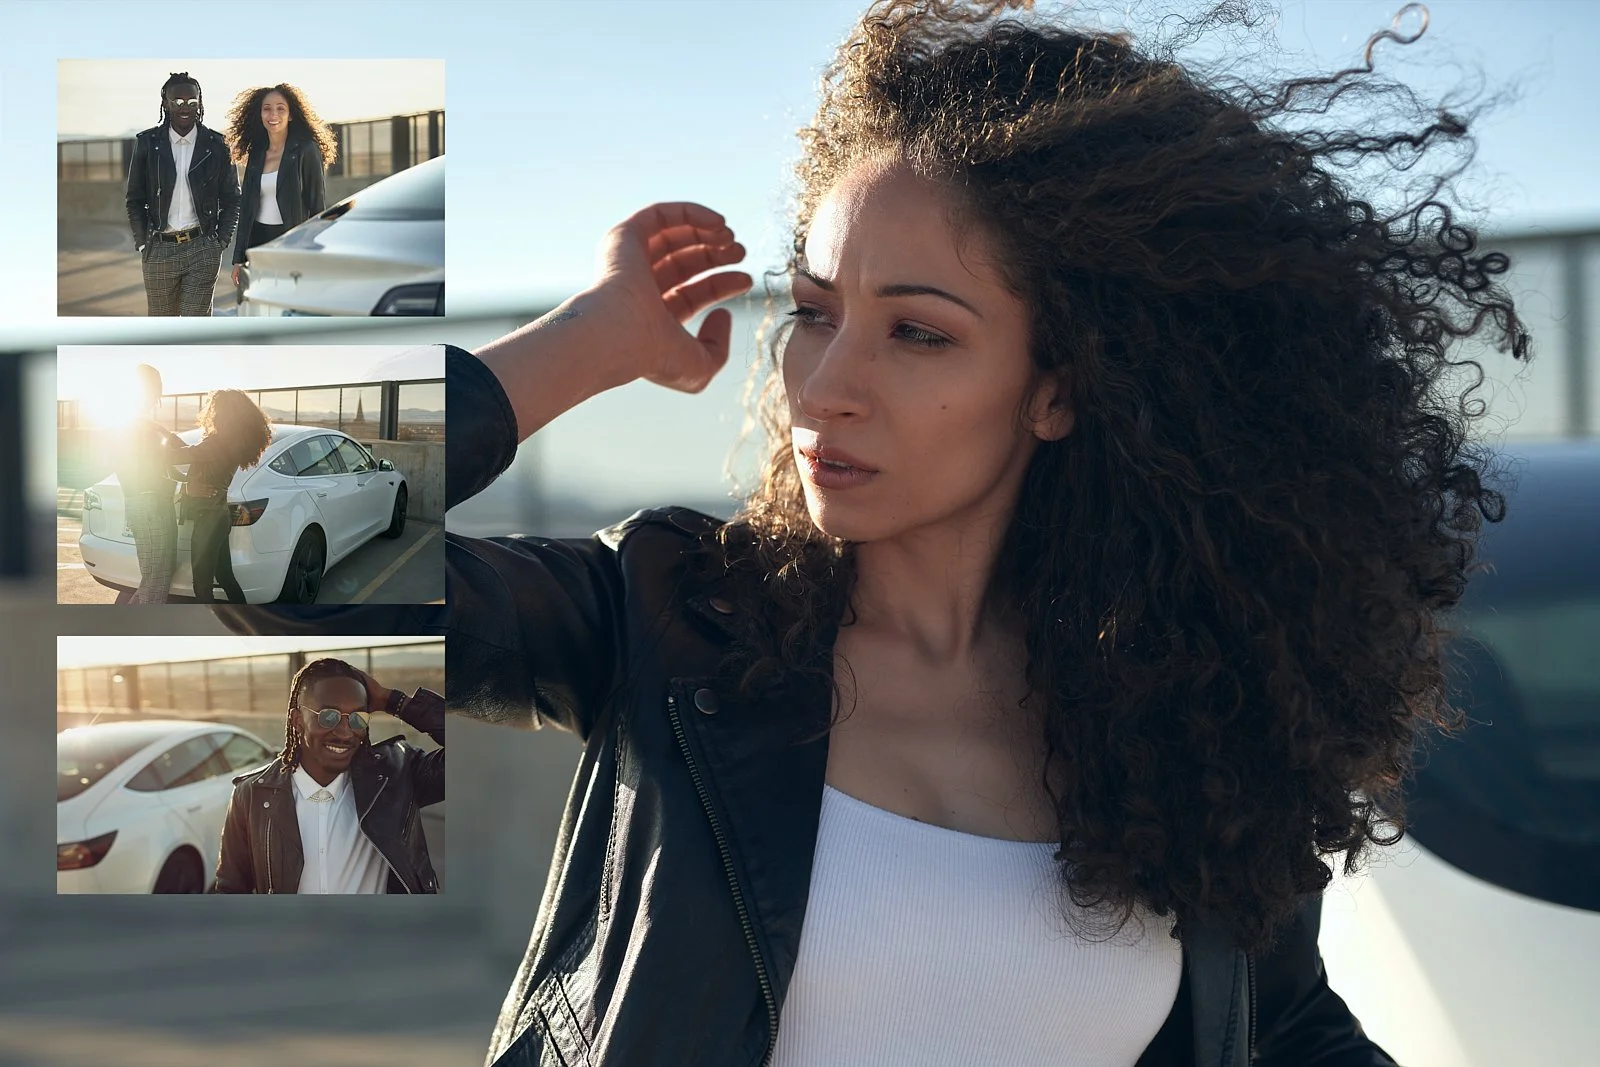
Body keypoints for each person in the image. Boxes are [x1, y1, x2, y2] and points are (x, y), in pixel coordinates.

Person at [468, 1, 1530, 1064]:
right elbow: (301, 558)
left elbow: (1286, 1024)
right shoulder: (667, 620)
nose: (824, 388)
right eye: (814, 309)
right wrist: (585, 341)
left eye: (917, 333)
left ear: (1059, 391)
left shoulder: (1187, 702)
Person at [211, 657, 444, 894]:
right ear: (297, 720)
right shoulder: (251, 795)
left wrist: (394, 701)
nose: (345, 733)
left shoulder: (398, 775)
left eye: (358, 718)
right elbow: (231, 891)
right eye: (329, 716)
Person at [124, 72, 239, 317]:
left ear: (200, 103)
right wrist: (143, 244)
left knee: (194, 329)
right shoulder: (147, 143)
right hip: (159, 248)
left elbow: (232, 198)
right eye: (177, 101)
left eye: (191, 101)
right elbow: (134, 199)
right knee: (161, 329)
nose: (184, 107)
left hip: (202, 247)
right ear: (165, 103)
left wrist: (219, 242)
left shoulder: (217, 145)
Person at [223, 83, 335, 290]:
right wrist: (238, 258)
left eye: (280, 108)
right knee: (259, 307)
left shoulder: (305, 149)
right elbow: (247, 209)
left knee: (289, 304)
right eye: (267, 108)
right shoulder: (257, 153)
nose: (273, 114)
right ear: (259, 114)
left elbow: (317, 205)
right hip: (257, 244)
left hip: (291, 242)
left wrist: (315, 253)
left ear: (291, 115)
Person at [165, 389, 271, 603]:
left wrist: (155, 445)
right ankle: (243, 625)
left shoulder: (216, 444)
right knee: (225, 577)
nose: (210, 412)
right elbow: (193, 453)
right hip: (219, 518)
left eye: (214, 408)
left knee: (202, 586)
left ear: (222, 413)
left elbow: (176, 456)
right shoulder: (231, 443)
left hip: (207, 520)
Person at [114, 364, 179, 604]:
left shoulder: (143, 424)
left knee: (158, 574)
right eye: (156, 387)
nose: (158, 395)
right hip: (149, 503)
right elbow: (171, 455)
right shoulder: (136, 425)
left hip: (152, 503)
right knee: (156, 579)